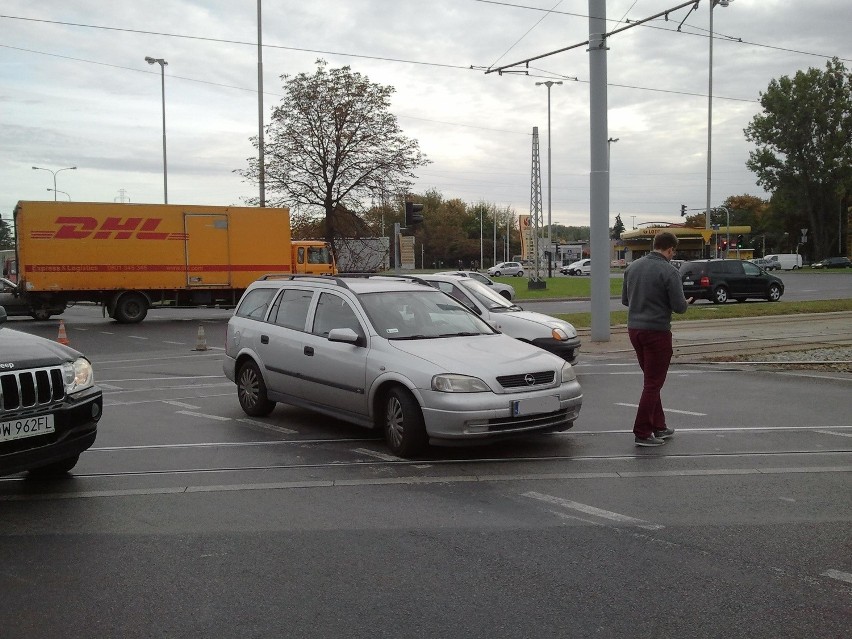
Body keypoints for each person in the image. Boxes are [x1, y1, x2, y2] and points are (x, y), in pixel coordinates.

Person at [621, 232, 692, 446]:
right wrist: (687, 302)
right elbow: (679, 307)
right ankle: (642, 432)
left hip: (635, 330)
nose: (673, 255)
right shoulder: (669, 271)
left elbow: (626, 300)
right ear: (670, 249)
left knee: (652, 381)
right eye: (673, 252)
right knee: (653, 383)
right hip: (657, 332)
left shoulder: (632, 267)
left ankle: (658, 426)